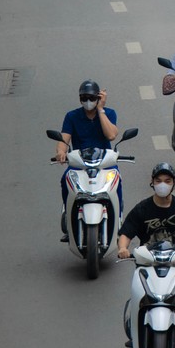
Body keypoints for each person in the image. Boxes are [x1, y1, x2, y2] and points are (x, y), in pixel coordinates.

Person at [53, 79, 120, 238]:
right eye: (84, 98)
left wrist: (101, 110)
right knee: (65, 180)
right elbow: (63, 140)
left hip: (104, 163)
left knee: (116, 183)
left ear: (98, 98)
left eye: (91, 97)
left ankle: (118, 218)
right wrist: (61, 152)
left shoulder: (109, 113)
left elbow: (111, 135)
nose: (88, 101)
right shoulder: (72, 116)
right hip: (79, 164)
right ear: (79, 99)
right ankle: (69, 217)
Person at [116, 163, 175, 262]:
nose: (163, 185)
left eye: (167, 181)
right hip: (147, 262)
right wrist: (123, 248)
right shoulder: (142, 209)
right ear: (152, 182)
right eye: (158, 181)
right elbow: (126, 234)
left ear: (173, 183)